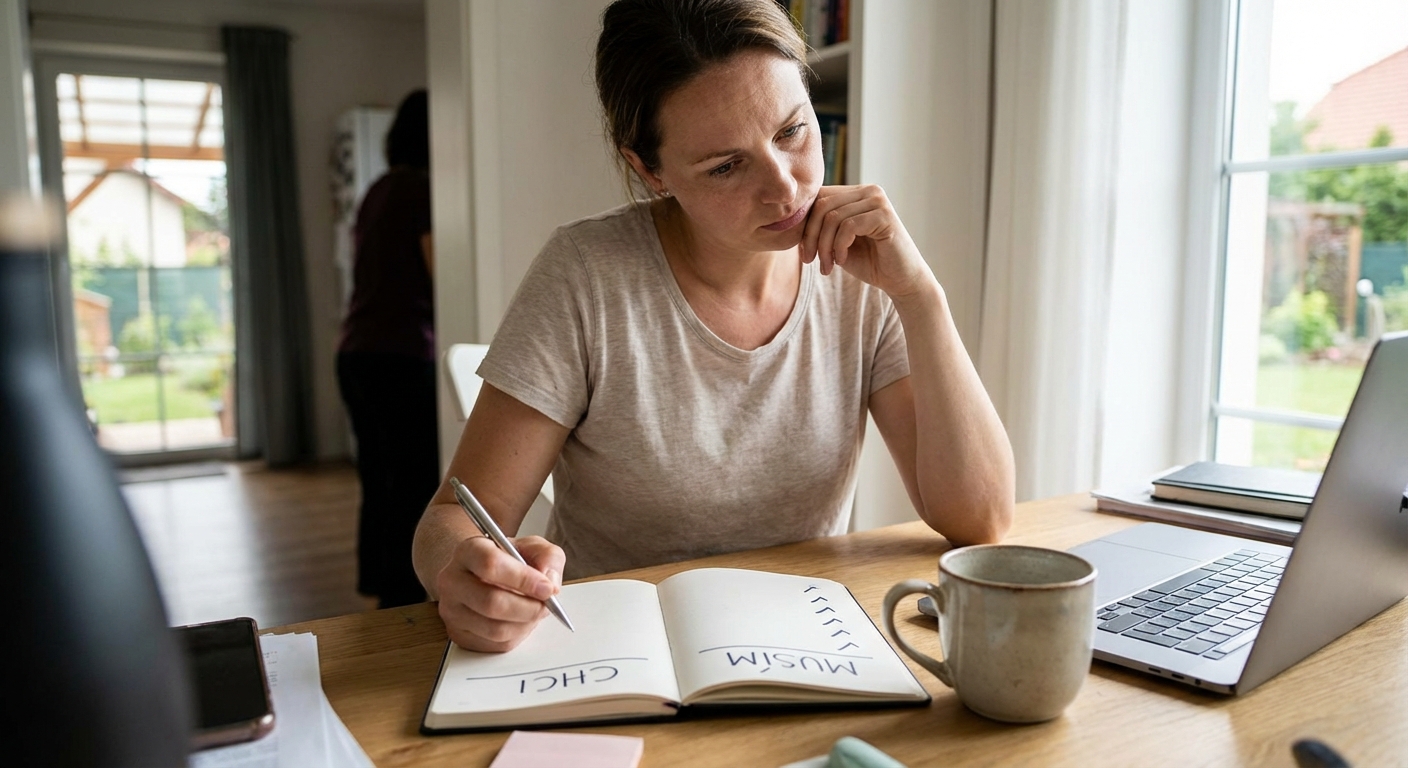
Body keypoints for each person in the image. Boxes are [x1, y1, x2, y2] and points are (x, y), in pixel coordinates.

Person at [412, 0, 1015, 652]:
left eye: (792, 133)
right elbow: (452, 517)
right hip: (618, 652)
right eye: (727, 166)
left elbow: (978, 521)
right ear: (650, 172)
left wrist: (921, 296)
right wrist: (464, 574)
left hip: (806, 644)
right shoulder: (584, 274)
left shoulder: (863, 270)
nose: (785, 190)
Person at [336, 89, 438, 609]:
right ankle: (403, 598)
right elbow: (439, 275)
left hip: (357, 352)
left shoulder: (377, 189)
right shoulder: (421, 191)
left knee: (379, 479)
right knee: (415, 482)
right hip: (401, 355)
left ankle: (383, 587)